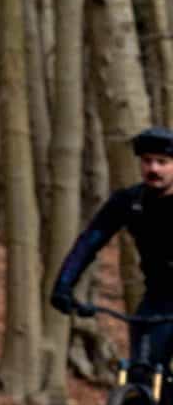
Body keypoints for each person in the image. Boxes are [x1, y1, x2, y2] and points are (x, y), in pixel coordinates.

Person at [49, 127, 173, 376]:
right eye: (147, 161)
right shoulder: (129, 202)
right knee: (141, 374)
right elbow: (90, 242)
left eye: (163, 162)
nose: (154, 169)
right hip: (157, 299)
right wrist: (64, 284)